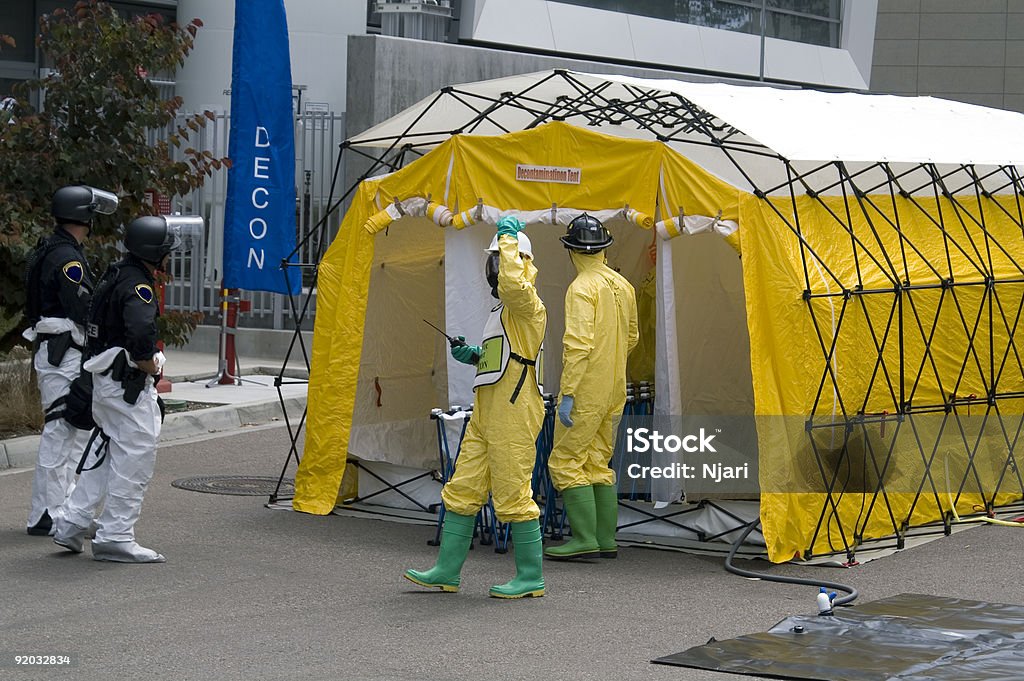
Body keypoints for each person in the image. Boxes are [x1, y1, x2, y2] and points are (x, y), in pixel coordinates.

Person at [404, 216, 547, 598]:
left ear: (520, 262)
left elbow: (515, 285)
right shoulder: (502, 314)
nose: (496, 269)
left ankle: (531, 577)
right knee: (464, 487)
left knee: (514, 491)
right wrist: (474, 356)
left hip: (515, 410)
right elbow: (503, 358)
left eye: (501, 261)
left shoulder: (528, 305)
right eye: (496, 260)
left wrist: (508, 237)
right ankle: (447, 571)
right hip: (487, 410)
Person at [52, 215, 180, 563]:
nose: (170, 256)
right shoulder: (138, 286)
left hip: (105, 382)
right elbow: (140, 334)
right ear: (154, 252)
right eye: (166, 250)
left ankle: (71, 522)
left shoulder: (116, 273)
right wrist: (150, 364)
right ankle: (116, 535)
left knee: (108, 455)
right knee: (136, 457)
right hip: (126, 386)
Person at [23, 185, 118, 536]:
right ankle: (48, 514)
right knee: (61, 431)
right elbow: (83, 307)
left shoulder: (54, 248)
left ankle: (58, 510)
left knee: (70, 431)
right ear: (85, 217)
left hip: (59, 351)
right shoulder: (66, 258)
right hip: (63, 352)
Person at [545, 213, 638, 560]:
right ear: (603, 248)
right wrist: (611, 362)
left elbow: (577, 346)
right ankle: (605, 540)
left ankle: (584, 539)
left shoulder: (581, 288)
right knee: (599, 461)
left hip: (585, 390)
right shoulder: (622, 285)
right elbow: (632, 337)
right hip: (615, 387)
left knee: (566, 460)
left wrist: (568, 393)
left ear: (571, 251)